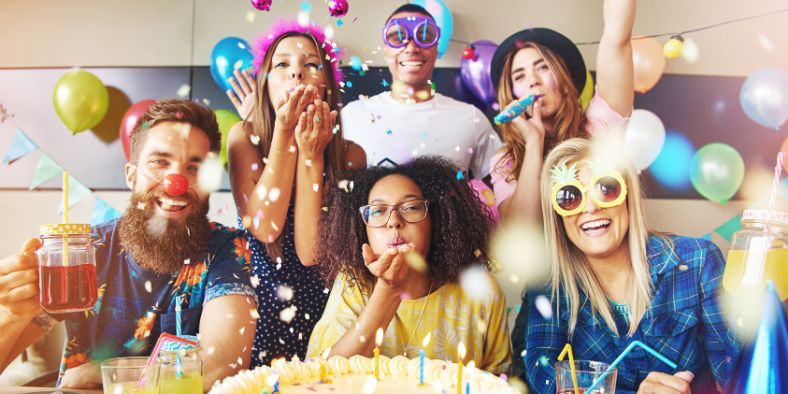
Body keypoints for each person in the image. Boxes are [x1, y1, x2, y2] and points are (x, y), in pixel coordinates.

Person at [0, 99, 258, 390]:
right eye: (160, 162)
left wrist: (104, 371)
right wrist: (14, 314)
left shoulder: (228, 249)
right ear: (131, 175)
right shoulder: (85, 253)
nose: (176, 182)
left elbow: (221, 366)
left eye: (194, 167)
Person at [519, 138, 739, 393]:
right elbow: (542, 374)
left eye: (605, 189)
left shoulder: (698, 261)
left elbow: (734, 375)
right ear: (558, 215)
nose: (590, 207)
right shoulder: (549, 285)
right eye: (570, 197)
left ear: (627, 196)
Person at [226, 19, 366, 367]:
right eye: (282, 64)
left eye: (311, 64)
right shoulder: (243, 138)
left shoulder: (351, 155)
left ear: (328, 86)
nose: (296, 74)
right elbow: (266, 227)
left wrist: (311, 155)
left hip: (329, 313)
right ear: (265, 82)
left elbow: (311, 252)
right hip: (259, 310)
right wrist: (284, 133)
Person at [307, 157, 511, 373]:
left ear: (438, 219)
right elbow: (321, 377)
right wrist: (387, 290)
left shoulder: (481, 289)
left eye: (411, 207)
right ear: (361, 229)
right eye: (378, 211)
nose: (394, 220)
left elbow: (498, 380)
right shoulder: (353, 282)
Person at [489, 0, 636, 223]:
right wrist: (533, 143)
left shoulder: (598, 126)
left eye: (543, 67)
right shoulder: (506, 161)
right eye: (519, 76)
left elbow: (618, 42)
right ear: (511, 95)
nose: (533, 82)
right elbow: (520, 231)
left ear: (566, 82)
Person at [339, 4, 501, 180]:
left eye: (424, 36)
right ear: (385, 49)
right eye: (397, 37)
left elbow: (502, 193)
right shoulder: (352, 115)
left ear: (436, 47)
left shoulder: (471, 118)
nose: (411, 48)